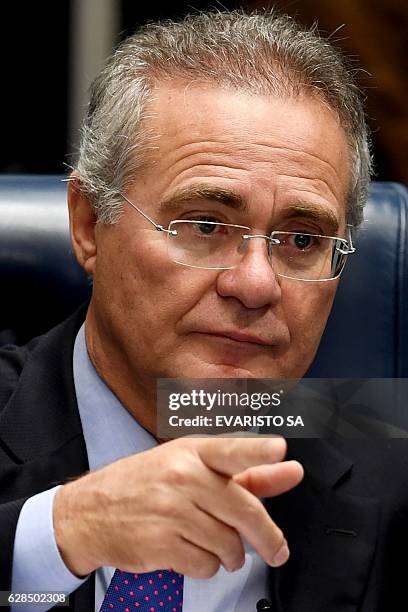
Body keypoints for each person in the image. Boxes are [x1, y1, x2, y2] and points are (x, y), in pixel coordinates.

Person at [1, 9, 407, 612]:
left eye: (301, 241)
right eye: (204, 225)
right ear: (89, 225)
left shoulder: (391, 454)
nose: (254, 284)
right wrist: (61, 534)